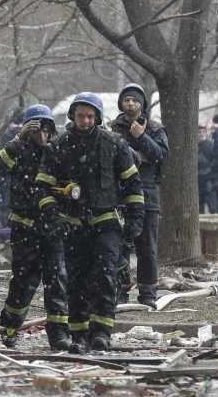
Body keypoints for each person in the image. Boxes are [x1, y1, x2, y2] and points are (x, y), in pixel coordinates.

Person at [35, 92, 144, 354]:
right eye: (81, 116)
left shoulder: (114, 145)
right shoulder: (58, 147)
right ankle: (79, 336)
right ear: (73, 115)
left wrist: (135, 219)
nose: (85, 121)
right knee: (77, 283)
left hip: (106, 223)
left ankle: (102, 334)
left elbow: (133, 185)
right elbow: (42, 189)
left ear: (97, 118)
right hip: (73, 225)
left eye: (90, 116)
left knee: (106, 278)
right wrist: (52, 216)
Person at [0, 104, 69, 351]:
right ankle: (11, 329)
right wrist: (18, 140)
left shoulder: (58, 151)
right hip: (25, 230)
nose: (42, 136)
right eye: (36, 131)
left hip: (53, 229)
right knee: (23, 282)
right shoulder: (18, 151)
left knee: (57, 282)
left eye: (46, 130)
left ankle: (58, 336)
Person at [109, 84, 169, 309]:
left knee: (147, 248)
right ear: (121, 103)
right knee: (118, 246)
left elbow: (160, 156)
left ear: (142, 104)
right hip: (119, 196)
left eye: (135, 100)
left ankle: (147, 292)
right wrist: (135, 155)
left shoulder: (153, 128)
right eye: (127, 100)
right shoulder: (112, 128)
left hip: (147, 196)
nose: (131, 104)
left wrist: (142, 137)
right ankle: (120, 290)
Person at [198, 127, 216, 214]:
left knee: (211, 204)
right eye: (200, 132)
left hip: (208, 177)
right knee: (200, 204)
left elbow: (214, 159)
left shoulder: (210, 145)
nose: (201, 134)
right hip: (200, 177)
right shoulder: (196, 145)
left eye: (203, 132)